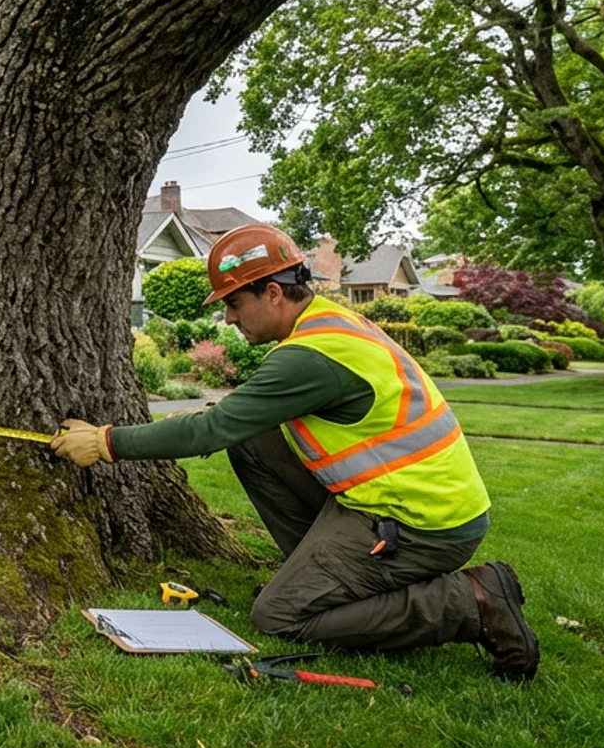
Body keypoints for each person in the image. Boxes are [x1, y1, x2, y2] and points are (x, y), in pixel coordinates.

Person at [52, 224, 539, 680]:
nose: (228, 316)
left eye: (235, 302)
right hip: (399, 503)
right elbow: (233, 424)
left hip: (422, 524)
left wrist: (103, 442)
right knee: (252, 439)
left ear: (273, 292)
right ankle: (318, 578)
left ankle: (472, 601)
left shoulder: (310, 357)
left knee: (278, 615)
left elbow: (212, 429)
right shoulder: (328, 326)